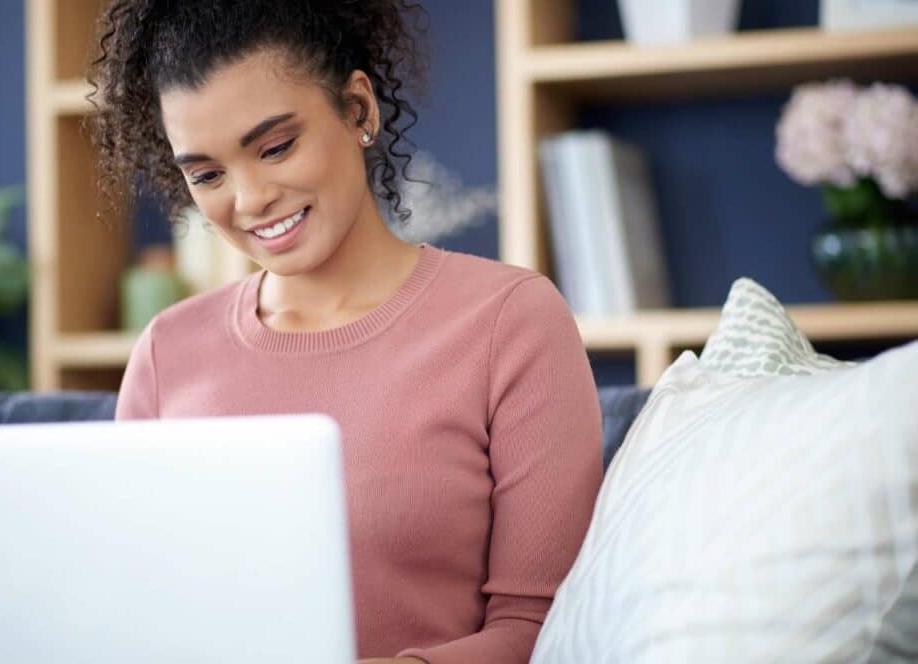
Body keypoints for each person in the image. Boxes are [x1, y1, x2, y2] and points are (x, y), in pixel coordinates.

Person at [92, 2, 603, 662]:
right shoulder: (167, 353)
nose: (248, 201)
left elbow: (543, 631)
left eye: (275, 148)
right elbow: (132, 613)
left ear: (358, 109)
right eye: (207, 174)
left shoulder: (510, 321)